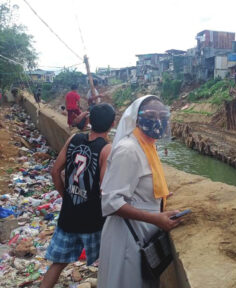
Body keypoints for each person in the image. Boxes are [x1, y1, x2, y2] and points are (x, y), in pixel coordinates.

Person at [97, 95, 182, 288]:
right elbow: (111, 201)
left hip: (143, 233)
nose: (157, 120)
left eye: (163, 115)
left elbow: (140, 185)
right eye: (151, 115)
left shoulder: (148, 147)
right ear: (136, 118)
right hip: (127, 236)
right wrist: (156, 218)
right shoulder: (129, 150)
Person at [40, 103, 115, 288]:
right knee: (107, 264)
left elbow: (55, 172)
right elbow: (104, 190)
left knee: (57, 265)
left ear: (89, 120)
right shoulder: (107, 149)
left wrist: (67, 198)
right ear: (113, 124)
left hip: (69, 217)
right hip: (93, 222)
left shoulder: (74, 139)